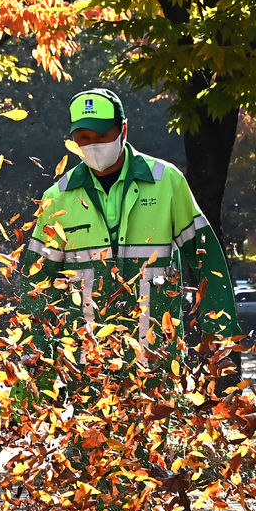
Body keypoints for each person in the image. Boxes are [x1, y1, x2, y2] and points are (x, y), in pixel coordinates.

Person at [18, 87, 240, 386]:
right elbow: (36, 281)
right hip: (84, 370)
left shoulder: (166, 182)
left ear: (123, 129)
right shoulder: (58, 197)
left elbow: (207, 262)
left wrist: (220, 335)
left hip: (157, 364)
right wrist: (34, 351)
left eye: (102, 135)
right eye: (84, 137)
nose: (93, 144)